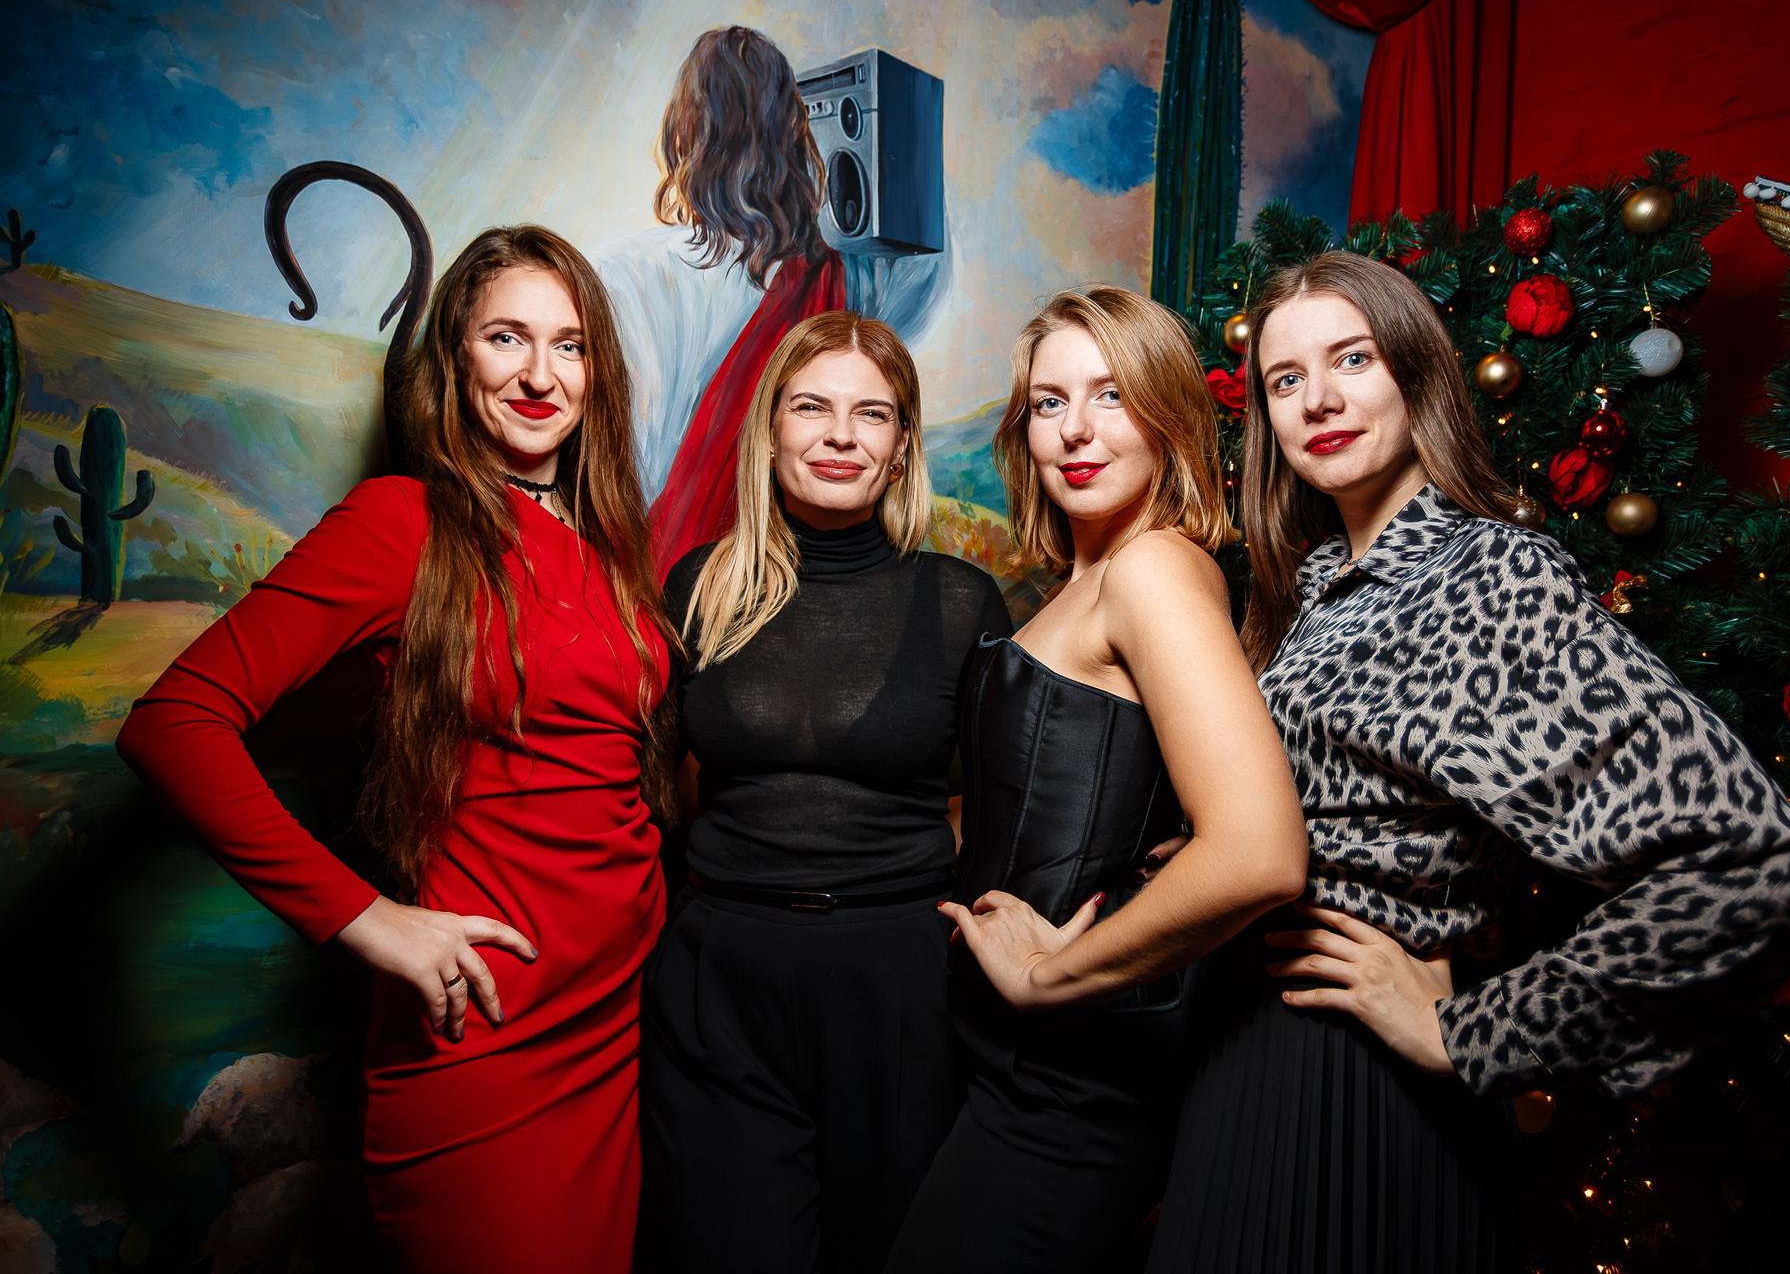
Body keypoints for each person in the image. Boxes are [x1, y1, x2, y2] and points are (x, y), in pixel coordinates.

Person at [1145, 250, 1790, 1271]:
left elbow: (1759, 866)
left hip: (1351, 1083)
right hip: (1247, 1053)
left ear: (1417, 375)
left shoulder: (1487, 573)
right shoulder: (1319, 585)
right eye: (1286, 379)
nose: (1318, 399)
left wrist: (1477, 1030)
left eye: (1353, 358)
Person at [116, 226, 676, 1274]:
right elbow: (173, 721)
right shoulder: (403, 524)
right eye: (506, 337)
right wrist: (364, 918)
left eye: (568, 345)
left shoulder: (608, 549)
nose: (540, 374)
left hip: (620, 1028)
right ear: (454, 357)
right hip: (492, 1040)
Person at [885, 286, 1311, 1274]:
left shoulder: (1153, 568)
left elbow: (1260, 851)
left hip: (1071, 1084)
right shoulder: (1080, 580)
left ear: (1168, 415)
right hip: (1002, 1065)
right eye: (1049, 401)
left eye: (1112, 395)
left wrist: (1049, 976)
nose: (1075, 429)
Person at [640, 310, 1011, 1273]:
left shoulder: (962, 602)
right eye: (811, 407)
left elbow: (1004, 810)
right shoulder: (698, 587)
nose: (840, 435)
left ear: (901, 446)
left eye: (871, 414)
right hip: (720, 984)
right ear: (769, 430)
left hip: (900, 989)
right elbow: (649, 791)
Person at [594, 25, 948, 571]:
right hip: (778, 571)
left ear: (685, 132)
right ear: (795, 135)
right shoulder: (845, 278)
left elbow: (611, 457)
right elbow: (926, 269)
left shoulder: (622, 269)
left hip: (648, 568)